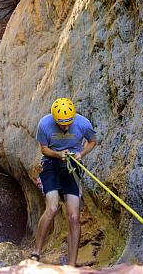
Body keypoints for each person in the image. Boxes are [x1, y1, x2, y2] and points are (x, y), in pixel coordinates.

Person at [31, 98, 96, 266]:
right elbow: (44, 149)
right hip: (51, 163)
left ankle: (71, 265)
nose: (66, 127)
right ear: (54, 119)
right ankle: (36, 253)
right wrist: (58, 154)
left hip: (72, 165)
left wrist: (81, 154)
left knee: (74, 216)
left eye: (68, 123)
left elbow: (92, 141)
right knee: (52, 208)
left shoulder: (83, 124)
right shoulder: (44, 124)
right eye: (62, 124)